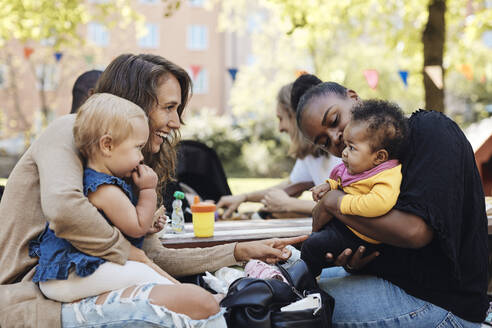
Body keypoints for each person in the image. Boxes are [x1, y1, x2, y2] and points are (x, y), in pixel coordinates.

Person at [0, 54, 307, 328]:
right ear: (134, 103)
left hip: (95, 285)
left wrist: (239, 250)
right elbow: (65, 209)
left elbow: (154, 255)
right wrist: (132, 256)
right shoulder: (69, 130)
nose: (176, 122)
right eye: (169, 108)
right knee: (203, 307)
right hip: (36, 294)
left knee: (214, 302)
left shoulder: (132, 166)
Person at [293, 74, 488, 326]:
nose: (335, 138)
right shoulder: (362, 168)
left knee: (293, 309)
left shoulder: (430, 131)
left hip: (445, 306)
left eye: (334, 120)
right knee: (300, 288)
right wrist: (356, 262)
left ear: (354, 98)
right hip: (403, 286)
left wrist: (332, 203)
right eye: (323, 143)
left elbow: (414, 231)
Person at [31, 93, 180, 303]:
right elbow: (135, 226)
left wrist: (147, 227)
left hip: (67, 275)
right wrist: (148, 189)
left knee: (144, 274)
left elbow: (122, 226)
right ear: (107, 145)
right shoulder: (105, 189)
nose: (141, 157)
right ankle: (189, 299)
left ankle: (185, 295)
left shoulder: (97, 183)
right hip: (70, 276)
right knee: (144, 275)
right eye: (137, 147)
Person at [302, 99, 408, 277]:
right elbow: (347, 182)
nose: (344, 152)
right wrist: (330, 185)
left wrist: (340, 204)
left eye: (351, 147)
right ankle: (303, 273)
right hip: (346, 226)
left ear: (379, 156)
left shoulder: (387, 174)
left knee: (312, 247)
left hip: (360, 236)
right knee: (311, 244)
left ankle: (305, 285)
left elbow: (380, 202)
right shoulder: (365, 166)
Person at [217, 80, 340, 218]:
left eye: (281, 118)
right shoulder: (310, 155)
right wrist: (244, 197)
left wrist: (288, 204)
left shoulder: (341, 152)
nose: (280, 128)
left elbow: (344, 208)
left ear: (295, 116)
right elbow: (288, 188)